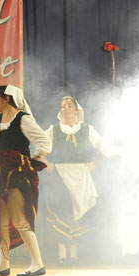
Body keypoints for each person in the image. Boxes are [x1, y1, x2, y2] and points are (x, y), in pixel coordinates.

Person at [0, 85, 52, 276]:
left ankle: (38, 264)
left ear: (6, 99)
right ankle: (3, 264)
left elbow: (44, 141)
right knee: (1, 219)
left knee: (20, 219)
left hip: (17, 175)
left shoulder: (22, 119)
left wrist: (34, 157)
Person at [41, 96, 115, 266]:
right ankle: (62, 254)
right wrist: (48, 164)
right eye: (63, 106)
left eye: (69, 106)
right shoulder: (55, 129)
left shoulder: (86, 129)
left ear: (76, 110)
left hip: (81, 175)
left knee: (79, 213)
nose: (66, 109)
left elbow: (103, 147)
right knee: (62, 211)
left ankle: (73, 254)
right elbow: (39, 146)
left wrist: (94, 163)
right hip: (61, 174)